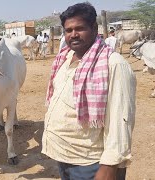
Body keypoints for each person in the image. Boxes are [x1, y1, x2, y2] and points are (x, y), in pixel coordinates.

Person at [42, 3, 136, 180]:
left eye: (80, 28)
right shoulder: (64, 58)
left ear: (94, 28)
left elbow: (120, 120)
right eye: (68, 30)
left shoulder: (113, 64)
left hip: (92, 163)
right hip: (65, 157)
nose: (73, 34)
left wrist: (109, 167)